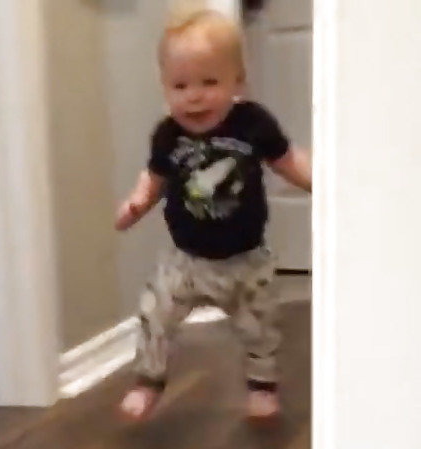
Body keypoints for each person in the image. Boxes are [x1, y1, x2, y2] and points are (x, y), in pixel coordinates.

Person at [114, 7, 312, 422]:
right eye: (180, 85)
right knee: (155, 313)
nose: (194, 96)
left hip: (246, 259)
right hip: (185, 260)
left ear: (238, 81)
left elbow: (288, 160)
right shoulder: (168, 135)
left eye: (209, 82)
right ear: (165, 86)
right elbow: (154, 178)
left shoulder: (253, 123)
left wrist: (324, 185)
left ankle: (262, 387)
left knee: (261, 327)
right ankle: (148, 380)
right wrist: (137, 203)